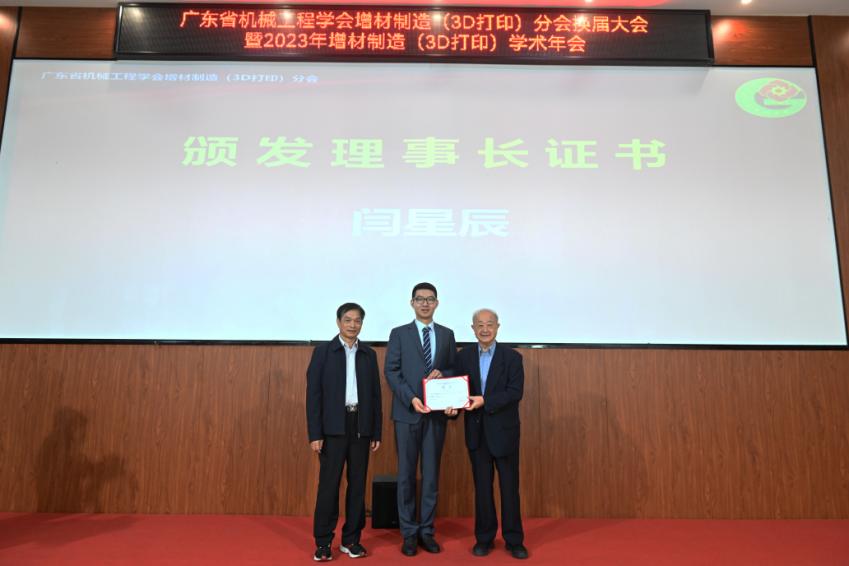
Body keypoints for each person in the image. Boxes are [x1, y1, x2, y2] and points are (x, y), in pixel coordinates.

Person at [384, 282, 457, 556]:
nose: (425, 303)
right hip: (407, 413)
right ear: (412, 303)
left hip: (436, 416)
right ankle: (409, 533)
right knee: (405, 476)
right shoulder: (399, 334)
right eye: (420, 299)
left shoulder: (447, 334)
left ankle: (426, 531)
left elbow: (454, 368)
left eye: (430, 299)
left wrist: (444, 373)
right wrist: (411, 398)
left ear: (437, 303)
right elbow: (391, 371)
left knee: (431, 476)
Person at [306, 302, 382, 562]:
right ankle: (323, 542)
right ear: (338, 322)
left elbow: (375, 396)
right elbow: (313, 396)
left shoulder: (369, 354)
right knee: (329, 486)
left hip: (361, 426)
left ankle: (351, 540)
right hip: (332, 428)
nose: (353, 325)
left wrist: (376, 432)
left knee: (358, 486)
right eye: (348, 320)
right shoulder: (323, 352)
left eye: (357, 320)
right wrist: (315, 434)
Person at [456, 309, 528, 560]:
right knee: (483, 490)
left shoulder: (512, 358)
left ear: (498, 327)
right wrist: (452, 408)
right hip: (476, 433)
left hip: (504, 433)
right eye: (480, 325)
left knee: (510, 489)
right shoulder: (463, 357)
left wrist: (485, 401)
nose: (485, 329)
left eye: (489, 324)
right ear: (472, 328)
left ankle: (514, 540)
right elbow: (457, 391)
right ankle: (484, 538)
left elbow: (515, 392)